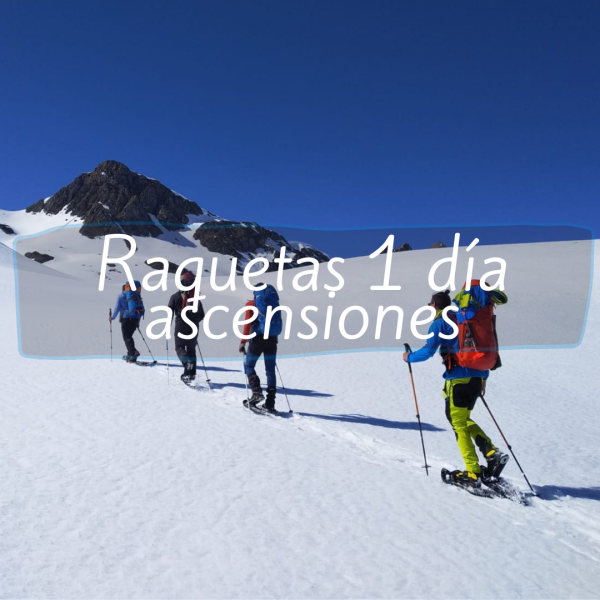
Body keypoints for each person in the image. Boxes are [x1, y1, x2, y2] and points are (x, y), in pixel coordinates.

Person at [403, 289, 508, 488]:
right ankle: (491, 454)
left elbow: (427, 351)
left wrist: (409, 357)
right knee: (461, 419)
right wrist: (482, 377)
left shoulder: (440, 323)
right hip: (477, 377)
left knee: (458, 423)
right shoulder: (464, 319)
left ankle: (473, 472)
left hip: (458, 380)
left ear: (434, 305)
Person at [238, 284, 280, 412]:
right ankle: (270, 403)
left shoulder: (251, 304)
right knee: (270, 371)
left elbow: (247, 324)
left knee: (249, 366)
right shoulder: (275, 304)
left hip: (257, 339)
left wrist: (243, 341)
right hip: (272, 339)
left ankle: (256, 393)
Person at [168, 271, 205, 384]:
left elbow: (170, 313)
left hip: (181, 323)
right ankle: (191, 374)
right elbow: (202, 314)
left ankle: (186, 362)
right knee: (191, 349)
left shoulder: (175, 296)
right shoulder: (196, 296)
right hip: (194, 324)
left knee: (179, 347)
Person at [110, 281, 145, 363]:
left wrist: (112, 318)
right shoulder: (136, 296)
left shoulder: (120, 296)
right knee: (129, 337)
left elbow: (117, 309)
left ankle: (132, 353)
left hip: (126, 319)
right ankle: (130, 353)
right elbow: (139, 311)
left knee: (127, 337)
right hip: (135, 319)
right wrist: (138, 322)